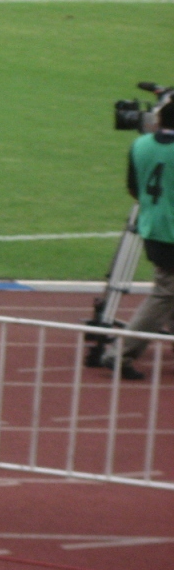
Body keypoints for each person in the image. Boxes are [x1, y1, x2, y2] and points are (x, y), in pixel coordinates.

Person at [102, 97, 174, 380]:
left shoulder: (140, 145)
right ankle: (120, 353)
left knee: (169, 289)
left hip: (152, 226)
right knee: (164, 294)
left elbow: (134, 188)